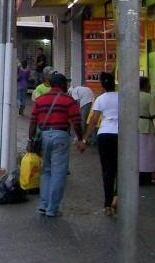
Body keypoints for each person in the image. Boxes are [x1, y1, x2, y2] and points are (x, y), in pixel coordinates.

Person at [28, 71, 86, 217]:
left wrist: (30, 140)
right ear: (61, 85)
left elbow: (33, 121)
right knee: (58, 173)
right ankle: (52, 208)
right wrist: (80, 139)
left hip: (44, 136)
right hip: (61, 136)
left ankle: (43, 204)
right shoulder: (68, 100)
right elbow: (76, 122)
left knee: (46, 171)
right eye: (65, 83)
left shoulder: (40, 100)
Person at [86, 71, 120, 216]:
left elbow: (94, 120)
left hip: (104, 134)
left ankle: (107, 203)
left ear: (103, 85)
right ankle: (117, 197)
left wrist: (85, 138)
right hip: (121, 135)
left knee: (107, 170)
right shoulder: (122, 97)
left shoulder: (100, 99)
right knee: (120, 168)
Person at [139, 75, 155, 186]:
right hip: (146, 126)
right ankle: (152, 177)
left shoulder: (132, 96)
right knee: (149, 152)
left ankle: (136, 174)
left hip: (133, 127)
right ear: (146, 86)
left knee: (137, 152)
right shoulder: (149, 97)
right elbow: (154, 114)